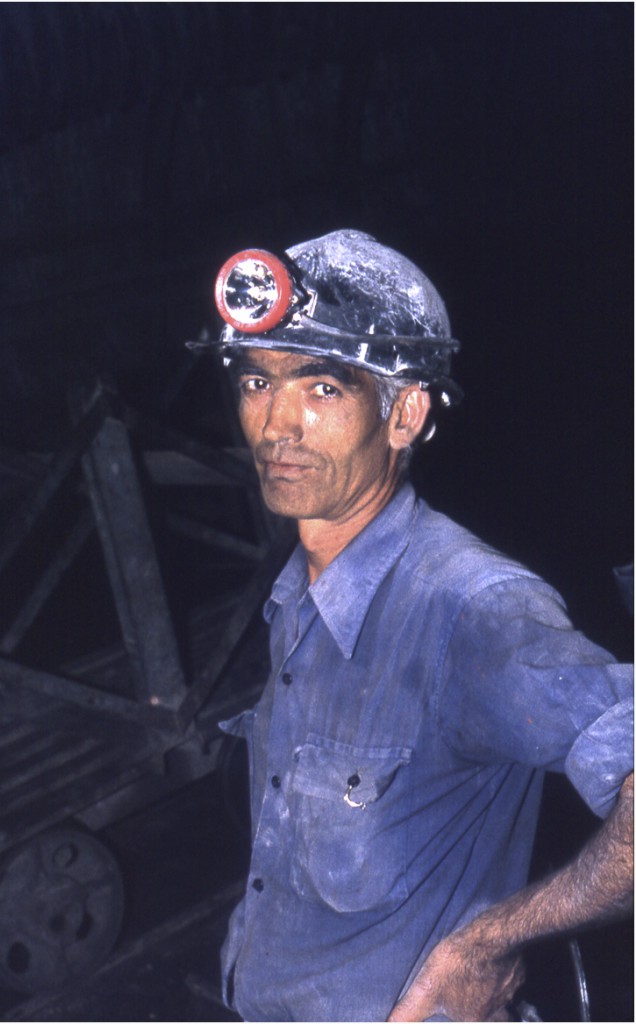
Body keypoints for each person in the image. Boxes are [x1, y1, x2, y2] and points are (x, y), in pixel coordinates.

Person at [189, 229, 633, 1022]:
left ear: (405, 413)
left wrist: (486, 944)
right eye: (257, 382)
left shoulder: (469, 612)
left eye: (322, 390)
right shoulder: (300, 593)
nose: (275, 425)